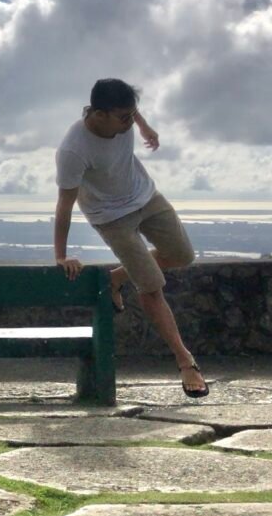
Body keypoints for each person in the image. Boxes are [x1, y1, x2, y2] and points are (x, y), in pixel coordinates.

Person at [54, 77, 208, 398]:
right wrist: (61, 255)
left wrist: (145, 126)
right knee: (150, 286)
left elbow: (132, 113)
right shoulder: (73, 150)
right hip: (111, 217)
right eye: (123, 118)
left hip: (146, 196)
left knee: (182, 255)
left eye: (131, 115)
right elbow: (64, 205)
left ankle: (116, 279)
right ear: (99, 114)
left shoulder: (122, 118)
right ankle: (185, 361)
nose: (129, 123)